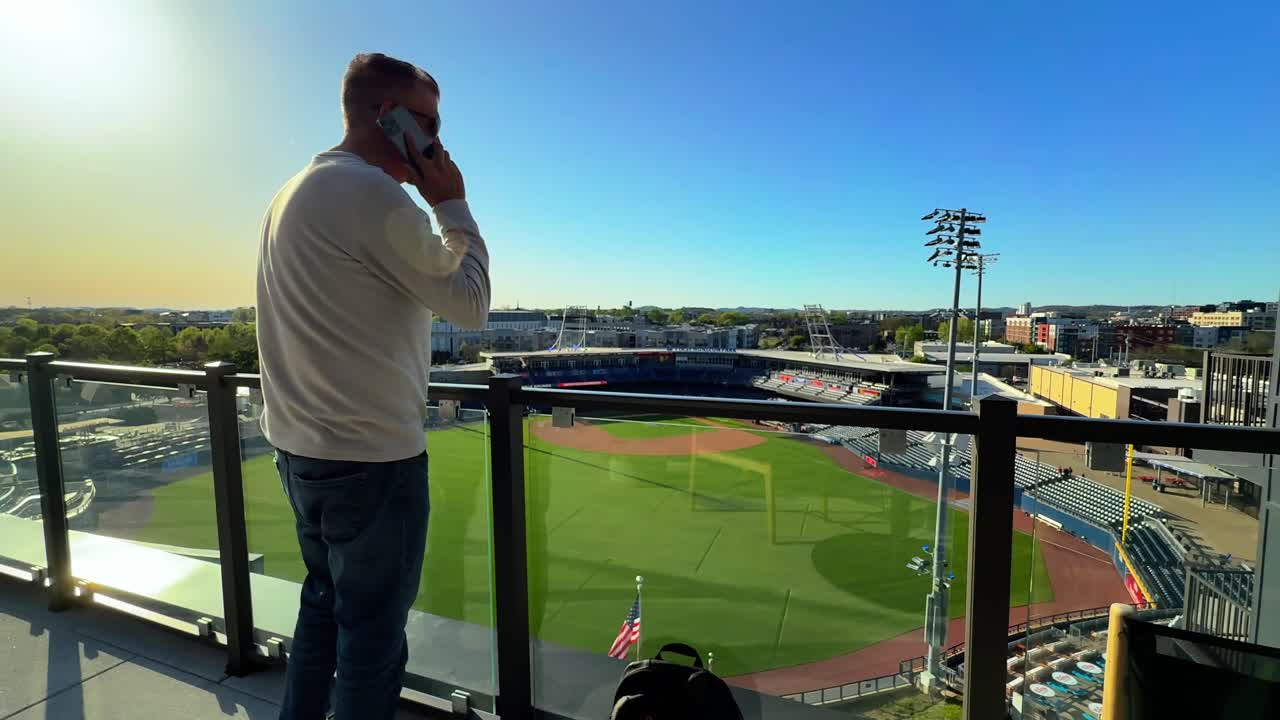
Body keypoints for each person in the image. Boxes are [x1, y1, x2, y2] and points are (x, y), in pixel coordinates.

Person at [255, 52, 490, 719]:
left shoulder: (294, 190)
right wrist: (451, 204)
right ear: (389, 118)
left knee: (322, 610)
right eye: (429, 124)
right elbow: (471, 304)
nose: (438, 142)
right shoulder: (371, 194)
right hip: (370, 460)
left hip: (302, 451)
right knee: (373, 640)